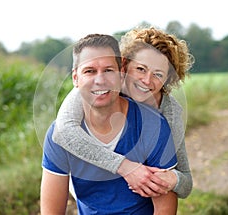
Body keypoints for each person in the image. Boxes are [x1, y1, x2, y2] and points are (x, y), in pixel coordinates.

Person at [41, 33, 178, 214]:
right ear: (75, 78)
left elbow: (165, 208)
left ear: (121, 73)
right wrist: (125, 167)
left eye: (108, 70)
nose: (100, 80)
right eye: (89, 71)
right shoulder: (60, 134)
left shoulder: (153, 126)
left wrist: (178, 180)